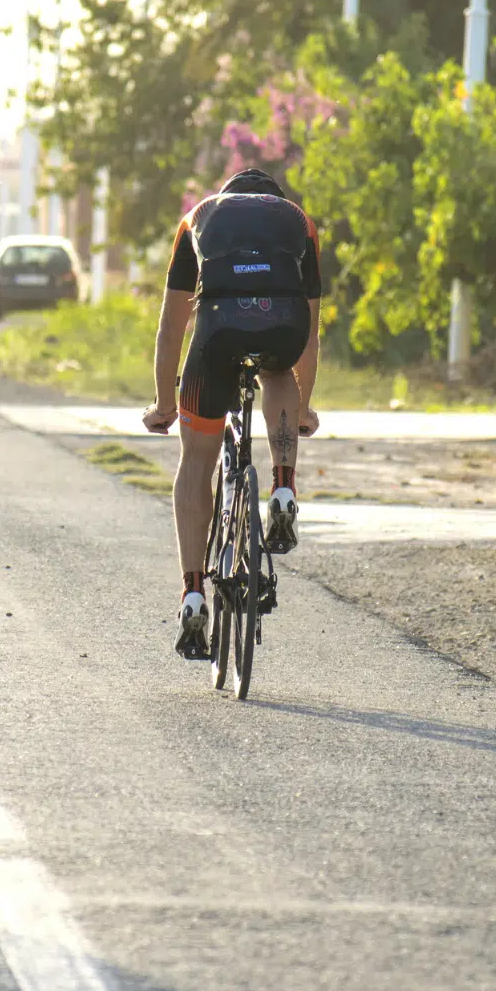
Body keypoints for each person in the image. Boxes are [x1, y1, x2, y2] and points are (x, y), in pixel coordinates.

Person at [141, 169, 321, 659]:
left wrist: (163, 403)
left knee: (196, 462)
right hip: (282, 324)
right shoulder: (298, 222)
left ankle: (194, 593)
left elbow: (171, 329)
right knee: (280, 369)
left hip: (217, 332)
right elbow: (310, 334)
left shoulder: (198, 218)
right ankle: (284, 484)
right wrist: (303, 408)